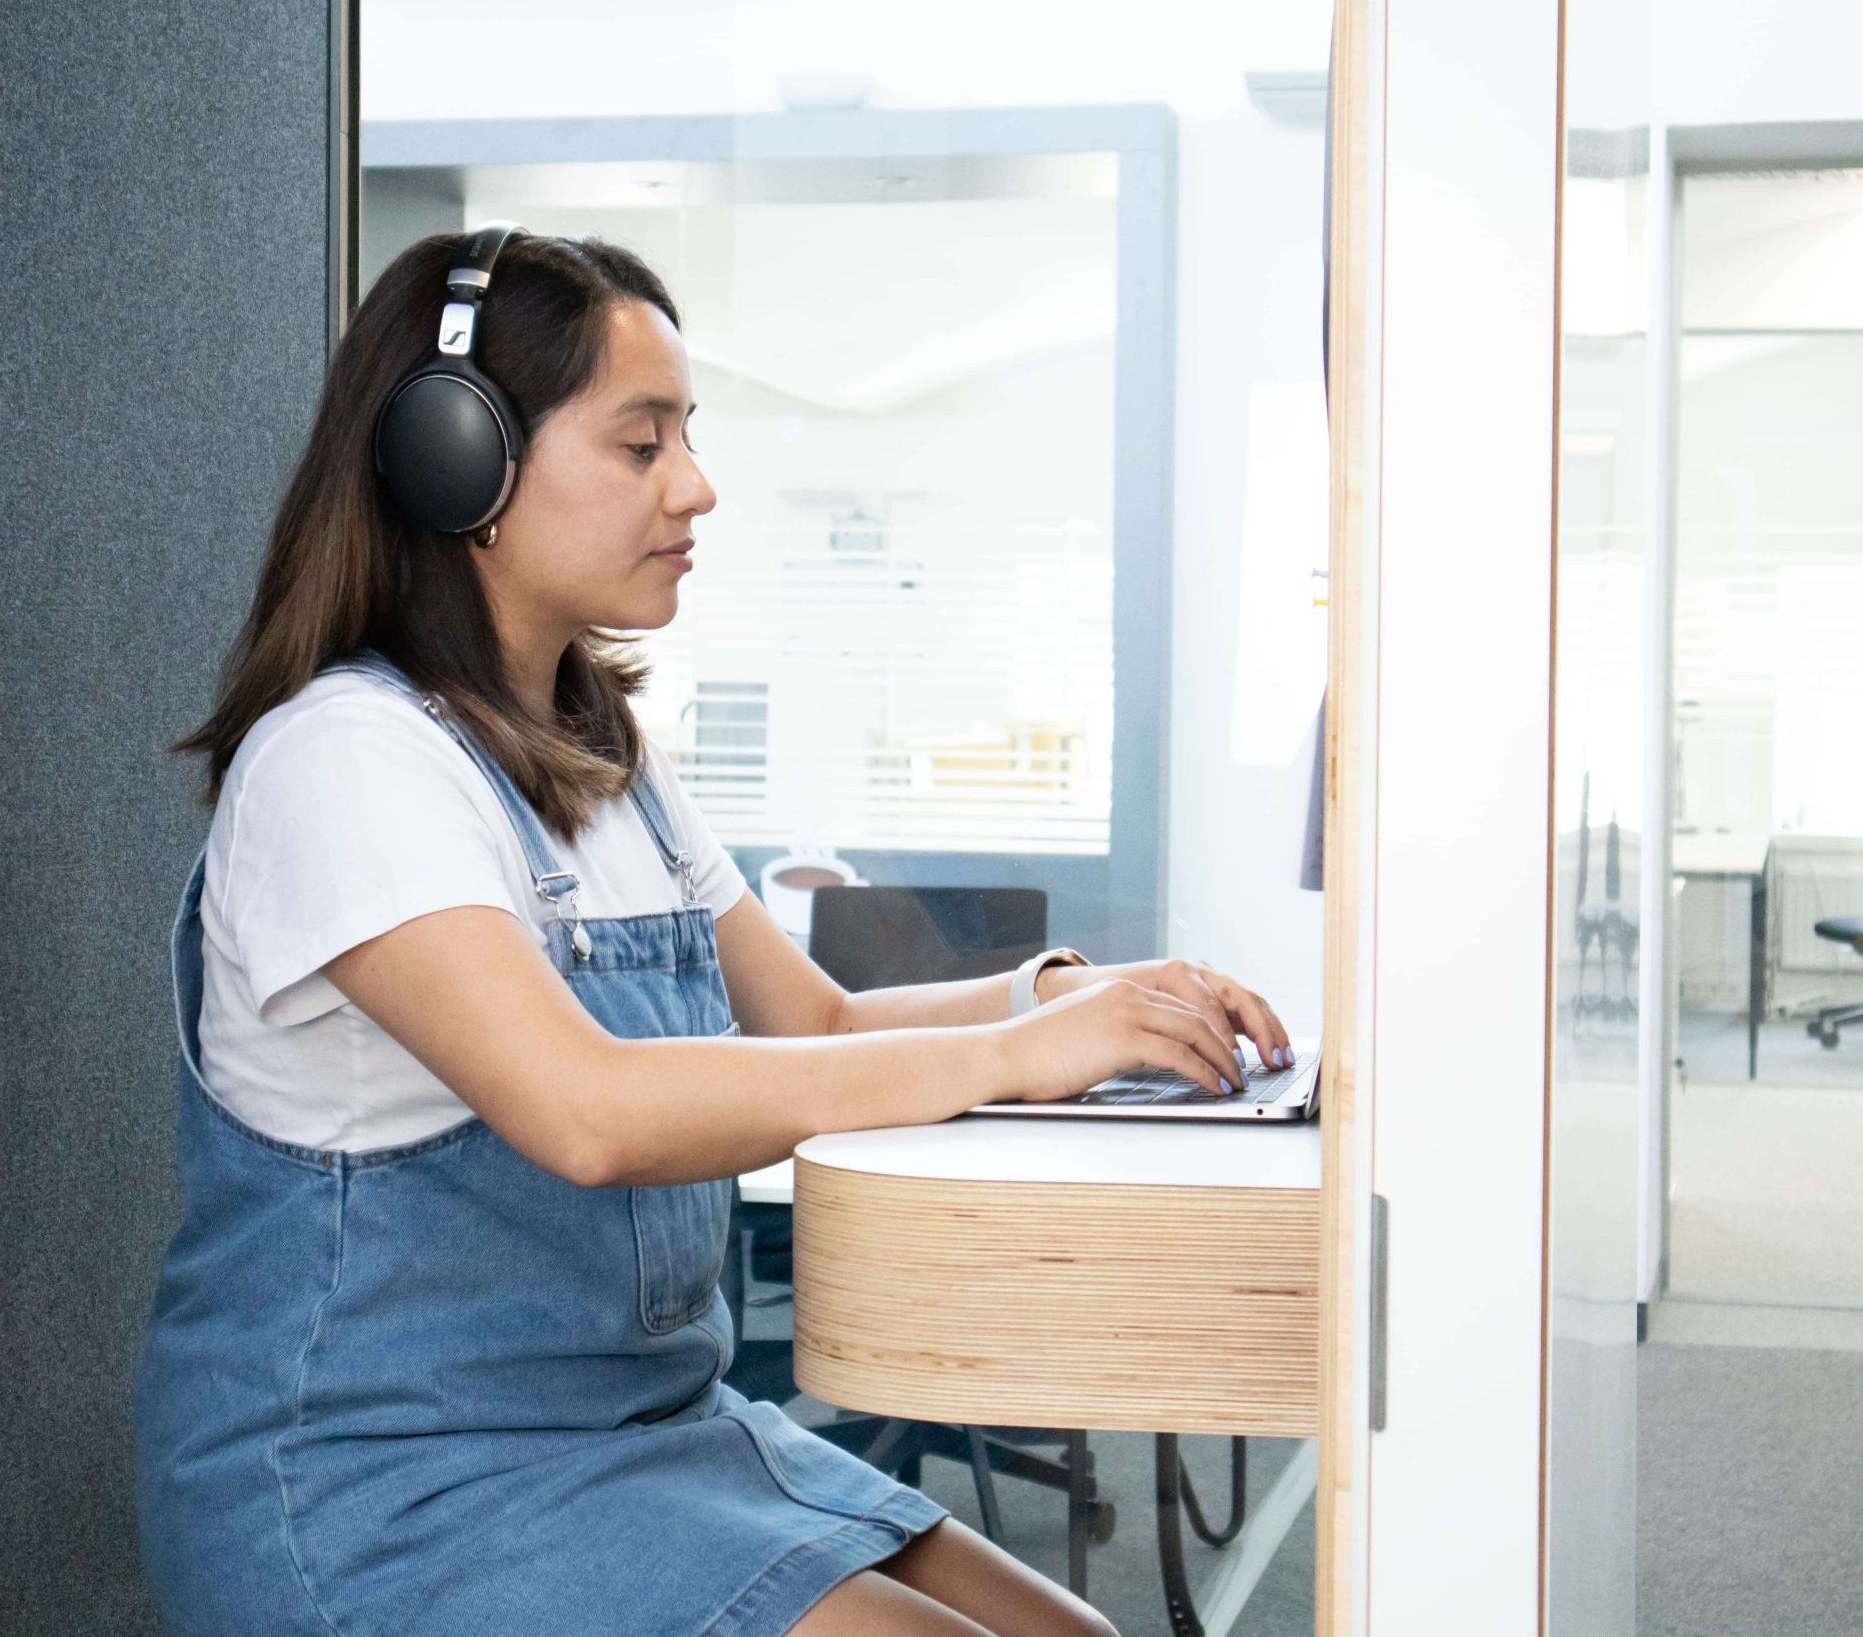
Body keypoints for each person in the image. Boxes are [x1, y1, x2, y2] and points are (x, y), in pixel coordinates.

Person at [132, 227, 1295, 1637]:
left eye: (688, 436)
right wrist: (1013, 1057)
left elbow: (815, 1026)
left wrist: (1071, 999)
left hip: (644, 1435)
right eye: (641, 445)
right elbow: (588, 1110)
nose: (697, 486)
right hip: (391, 1495)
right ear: (459, 462)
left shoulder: (606, 753)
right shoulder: (347, 765)